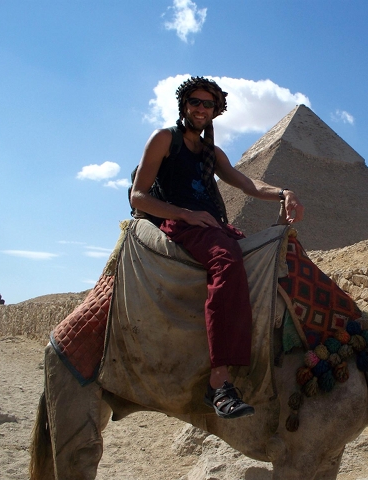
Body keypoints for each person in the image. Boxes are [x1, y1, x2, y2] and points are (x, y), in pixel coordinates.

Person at [130, 76, 304, 419]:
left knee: (271, 255)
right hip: (180, 224)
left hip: (214, 226)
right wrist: (185, 213)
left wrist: (284, 192)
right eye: (195, 101)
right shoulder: (165, 139)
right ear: (184, 104)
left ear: (216, 110)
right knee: (227, 262)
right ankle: (219, 382)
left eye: (208, 104)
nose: (201, 108)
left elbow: (247, 183)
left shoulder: (213, 152)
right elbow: (139, 195)